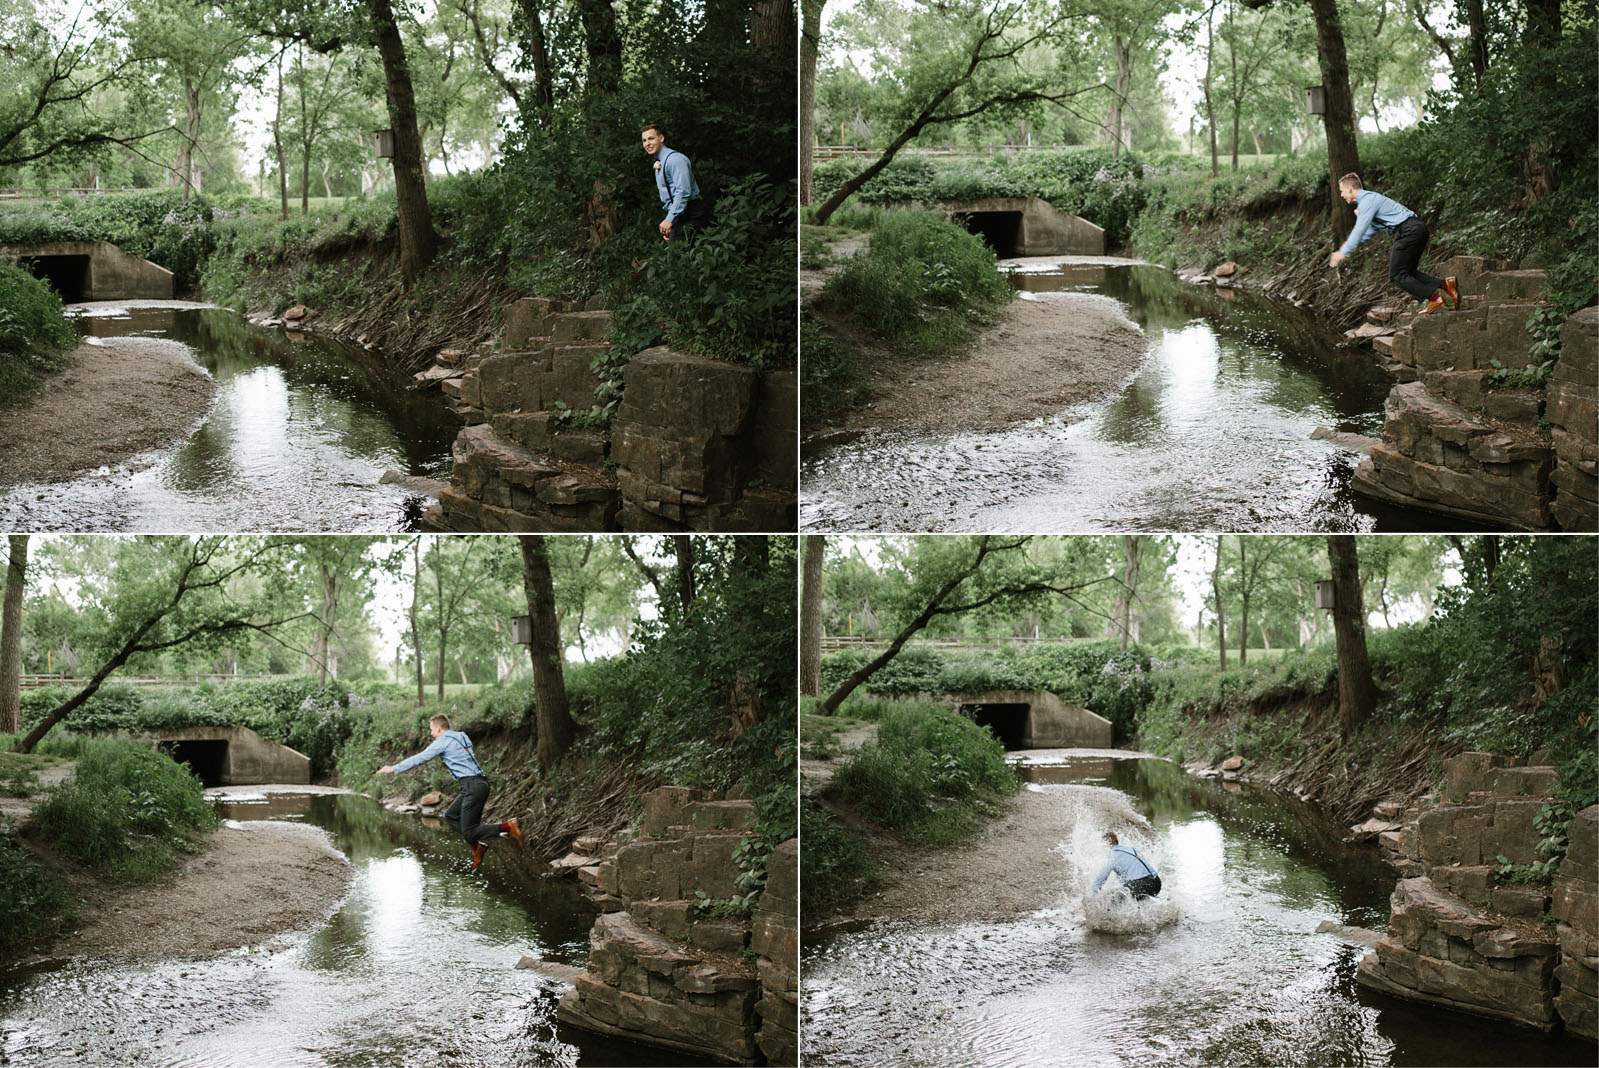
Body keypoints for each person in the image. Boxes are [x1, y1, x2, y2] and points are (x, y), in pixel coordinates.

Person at [378, 713, 522, 873]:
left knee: (470, 831)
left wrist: (393, 768)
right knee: (451, 815)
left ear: (439, 729)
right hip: (479, 783)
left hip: (471, 786)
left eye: (431, 730)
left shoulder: (442, 742)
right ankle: (477, 847)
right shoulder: (462, 736)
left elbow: (420, 758)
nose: (431, 733)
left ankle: (508, 826)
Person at [1328, 173, 1459, 315]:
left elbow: (1359, 229)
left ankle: (1435, 299)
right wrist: (1347, 247)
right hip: (1416, 229)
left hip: (1409, 231)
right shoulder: (1369, 200)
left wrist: (1343, 252)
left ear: (1350, 189)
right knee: (1407, 272)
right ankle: (1445, 284)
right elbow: (1368, 232)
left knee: (1396, 275)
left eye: (1341, 191)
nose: (1341, 195)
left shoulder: (1367, 201)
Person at [640, 122, 706, 244]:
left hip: (691, 213)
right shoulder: (661, 161)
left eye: (651, 138)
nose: (647, 143)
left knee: (679, 259)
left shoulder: (675, 160)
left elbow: (683, 192)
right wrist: (671, 222)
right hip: (680, 215)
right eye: (644, 140)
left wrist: (669, 220)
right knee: (676, 258)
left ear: (661, 138)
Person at [1088, 830, 1162, 901]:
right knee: (1127, 893)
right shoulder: (1131, 849)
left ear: (1107, 843)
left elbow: (1100, 880)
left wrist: (1092, 896)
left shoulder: (1112, 855)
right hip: (1156, 883)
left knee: (1110, 897)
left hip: (1141, 885)